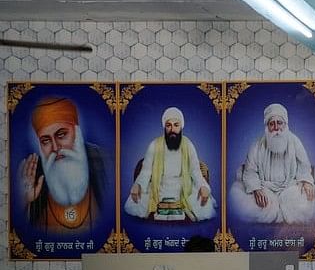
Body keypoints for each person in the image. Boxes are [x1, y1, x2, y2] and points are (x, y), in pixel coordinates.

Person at [20, 96, 108, 232]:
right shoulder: (33, 175)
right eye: (45, 141)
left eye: (61, 135)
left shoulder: (104, 161)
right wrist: (23, 201)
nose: (55, 147)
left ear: (77, 133)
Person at [228, 103, 315, 223]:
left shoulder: (294, 141)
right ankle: (274, 210)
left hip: (291, 188)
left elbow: (304, 165)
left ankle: (280, 210)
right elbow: (249, 171)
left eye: (280, 123)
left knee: (309, 200)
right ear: (267, 126)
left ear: (285, 124)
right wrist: (256, 189)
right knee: (238, 197)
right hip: (265, 189)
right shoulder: (257, 144)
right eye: (272, 124)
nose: (276, 128)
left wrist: (306, 181)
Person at [124, 107, 214, 222]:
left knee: (203, 204)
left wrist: (203, 187)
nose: (172, 129)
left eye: (176, 125)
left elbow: (195, 170)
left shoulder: (188, 144)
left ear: (181, 126)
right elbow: (146, 171)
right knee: (136, 201)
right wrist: (138, 185)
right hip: (159, 186)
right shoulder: (154, 145)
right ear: (164, 127)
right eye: (168, 125)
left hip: (183, 186)